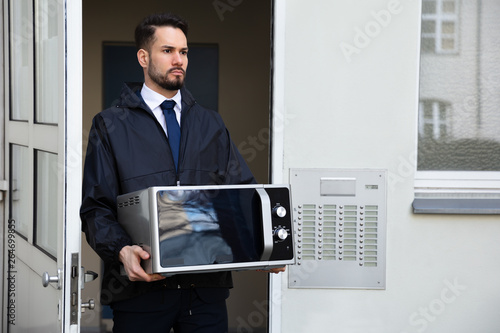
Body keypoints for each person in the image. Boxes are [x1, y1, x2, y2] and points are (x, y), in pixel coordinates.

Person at [80, 12, 283, 333]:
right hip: (139, 291)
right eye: (168, 51)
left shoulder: (211, 123)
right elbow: (95, 207)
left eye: (184, 52)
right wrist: (121, 251)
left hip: (206, 290)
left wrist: (264, 243)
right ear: (143, 57)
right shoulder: (110, 124)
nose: (179, 60)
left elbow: (243, 193)